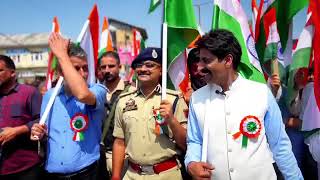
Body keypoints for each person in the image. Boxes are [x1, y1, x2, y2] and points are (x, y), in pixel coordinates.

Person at [185, 29, 303, 180]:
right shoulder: (196, 98)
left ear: (228, 61)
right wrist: (191, 163)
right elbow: (195, 140)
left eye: (206, 60)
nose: (199, 67)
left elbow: (280, 145)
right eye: (200, 60)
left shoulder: (261, 93)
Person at [30, 33, 106, 180]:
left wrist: (62, 55)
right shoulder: (49, 96)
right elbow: (45, 131)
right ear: (60, 72)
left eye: (85, 68)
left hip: (87, 173)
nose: (83, 74)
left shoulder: (98, 90)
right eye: (76, 68)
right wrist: (37, 131)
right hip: (53, 173)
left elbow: (82, 95)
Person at [112, 47, 188, 180]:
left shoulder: (174, 99)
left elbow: (186, 144)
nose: (142, 69)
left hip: (166, 174)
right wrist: (116, 176)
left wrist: (171, 120)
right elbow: (119, 141)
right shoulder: (124, 101)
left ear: (161, 70)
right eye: (139, 65)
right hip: (132, 174)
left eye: (150, 65)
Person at [0, 55, 43, 180]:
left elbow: (41, 120)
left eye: (0, 70)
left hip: (25, 167)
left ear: (12, 73)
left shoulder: (29, 92)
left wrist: (16, 131)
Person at [98, 51, 134, 178]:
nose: (107, 70)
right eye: (103, 67)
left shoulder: (131, 91)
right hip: (99, 157)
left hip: (123, 157)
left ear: (119, 67)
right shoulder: (95, 92)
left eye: (111, 66)